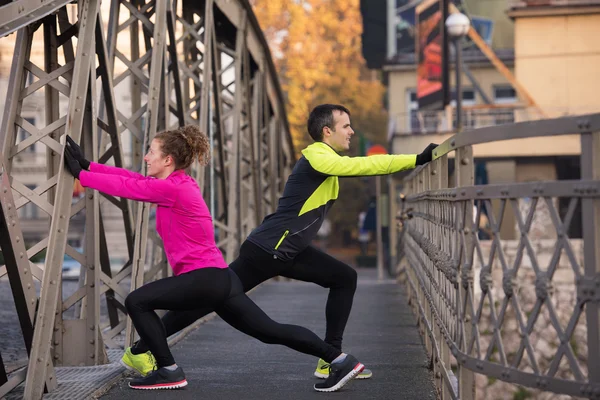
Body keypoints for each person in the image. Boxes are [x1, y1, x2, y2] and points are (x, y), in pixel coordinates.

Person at [117, 104, 437, 381]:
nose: (351, 131)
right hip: (267, 249)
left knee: (343, 277)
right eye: (346, 126)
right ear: (327, 131)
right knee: (213, 300)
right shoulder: (317, 155)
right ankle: (142, 350)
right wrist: (415, 159)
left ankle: (332, 361)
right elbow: (361, 166)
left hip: (286, 249)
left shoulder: (327, 159)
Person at [62, 127, 365, 392]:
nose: (146, 157)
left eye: (150, 152)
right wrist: (89, 166)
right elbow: (132, 179)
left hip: (204, 279)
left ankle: (168, 370)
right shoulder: (177, 184)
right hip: (221, 279)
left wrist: (83, 177)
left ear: (168, 160)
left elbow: (132, 188)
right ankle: (339, 359)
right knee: (270, 331)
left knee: (137, 301)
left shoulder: (173, 189)